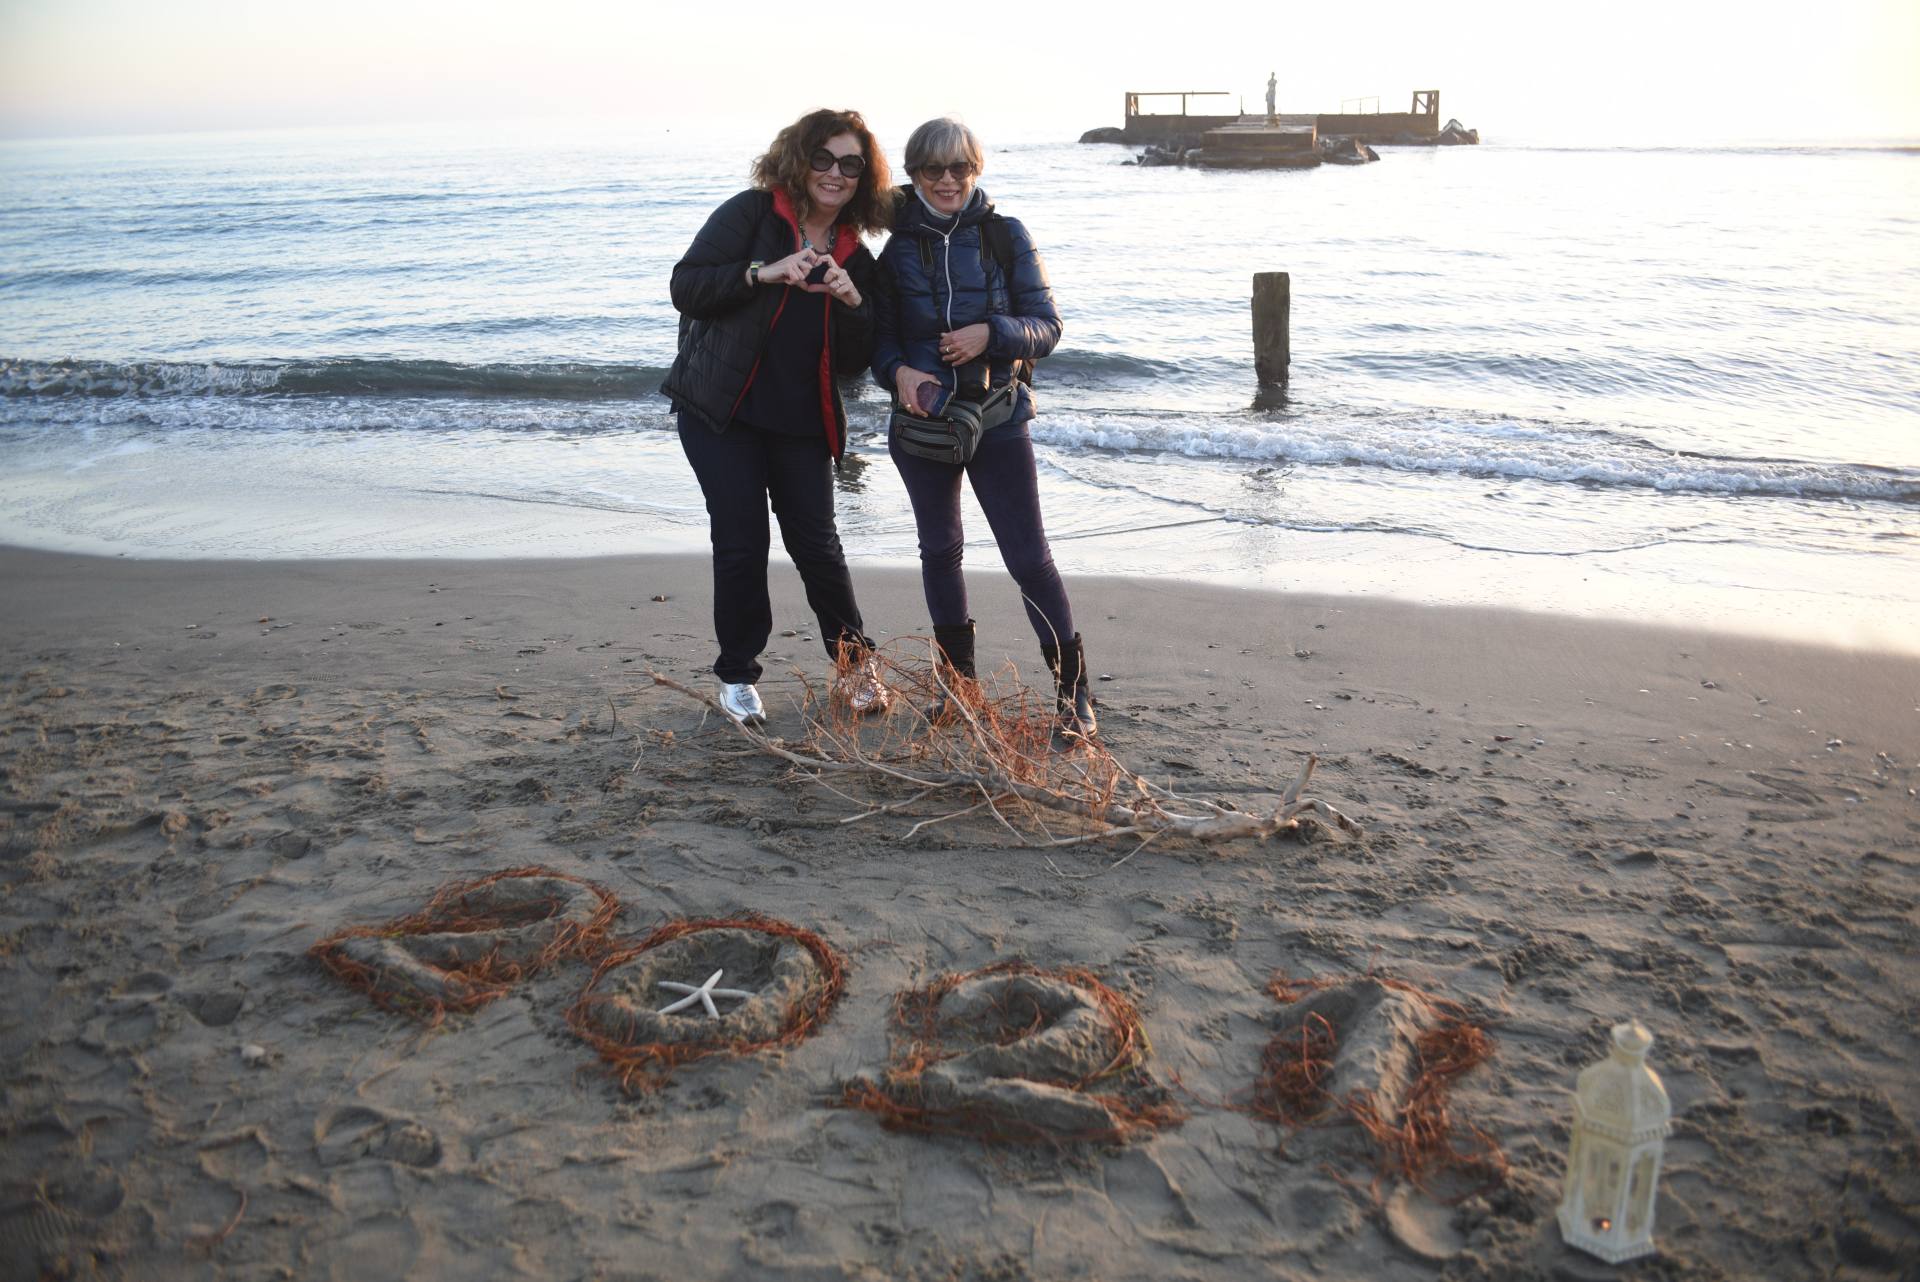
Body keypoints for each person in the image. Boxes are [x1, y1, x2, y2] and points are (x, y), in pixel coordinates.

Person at [659, 108, 894, 726]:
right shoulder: (752, 214)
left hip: (801, 420)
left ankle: (854, 668)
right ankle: (737, 677)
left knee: (818, 545)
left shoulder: (855, 256)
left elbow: (854, 361)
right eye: (824, 158)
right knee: (742, 542)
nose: (836, 174)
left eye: (851, 165)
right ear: (799, 159)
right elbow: (687, 285)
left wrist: (850, 301)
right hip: (722, 412)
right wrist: (764, 274)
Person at [871, 117, 1095, 738]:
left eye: (959, 168)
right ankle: (957, 690)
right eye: (932, 170)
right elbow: (881, 343)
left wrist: (991, 334)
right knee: (939, 552)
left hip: (998, 418)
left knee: (1028, 558)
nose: (947, 181)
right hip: (923, 425)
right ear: (913, 175)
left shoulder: (1006, 236)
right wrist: (899, 377)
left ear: (976, 170)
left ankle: (1074, 697)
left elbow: (1047, 327)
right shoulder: (895, 252)